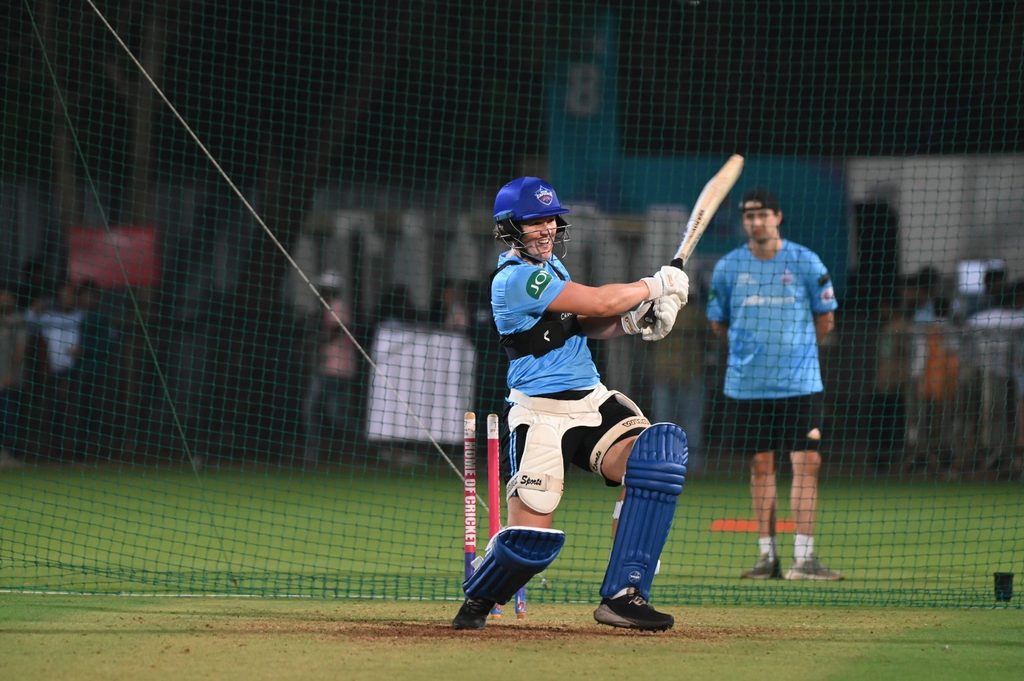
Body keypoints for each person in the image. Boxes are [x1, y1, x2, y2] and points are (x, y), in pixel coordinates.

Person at [452, 177, 690, 631]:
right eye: (532, 222)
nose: (544, 229)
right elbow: (600, 298)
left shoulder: (553, 271)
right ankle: (480, 600)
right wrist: (654, 284)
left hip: (592, 403)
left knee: (656, 460)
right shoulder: (515, 279)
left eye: (549, 220)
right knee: (527, 546)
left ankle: (625, 595)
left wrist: (633, 323)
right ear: (509, 228)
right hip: (539, 414)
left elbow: (588, 321)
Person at [706, 189, 842, 581]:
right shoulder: (728, 268)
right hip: (747, 387)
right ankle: (768, 558)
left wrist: (794, 351)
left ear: (778, 217)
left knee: (807, 464)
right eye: (748, 215)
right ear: (743, 221)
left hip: (801, 384)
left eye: (763, 214)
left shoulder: (805, 261)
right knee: (761, 467)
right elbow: (718, 321)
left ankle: (804, 558)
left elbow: (825, 318)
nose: (756, 221)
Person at [304, 270, 359, 464]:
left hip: (338, 369)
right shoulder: (325, 309)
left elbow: (337, 331)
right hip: (324, 368)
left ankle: (361, 446)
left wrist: (317, 341)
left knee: (337, 414)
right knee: (312, 409)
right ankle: (312, 453)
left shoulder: (338, 307)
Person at [0, 285, 28, 468]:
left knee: (9, 417)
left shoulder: (18, 321)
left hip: (10, 381)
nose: (4, 300)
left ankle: (7, 455)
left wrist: (9, 375)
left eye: (7, 297)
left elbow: (20, 350)